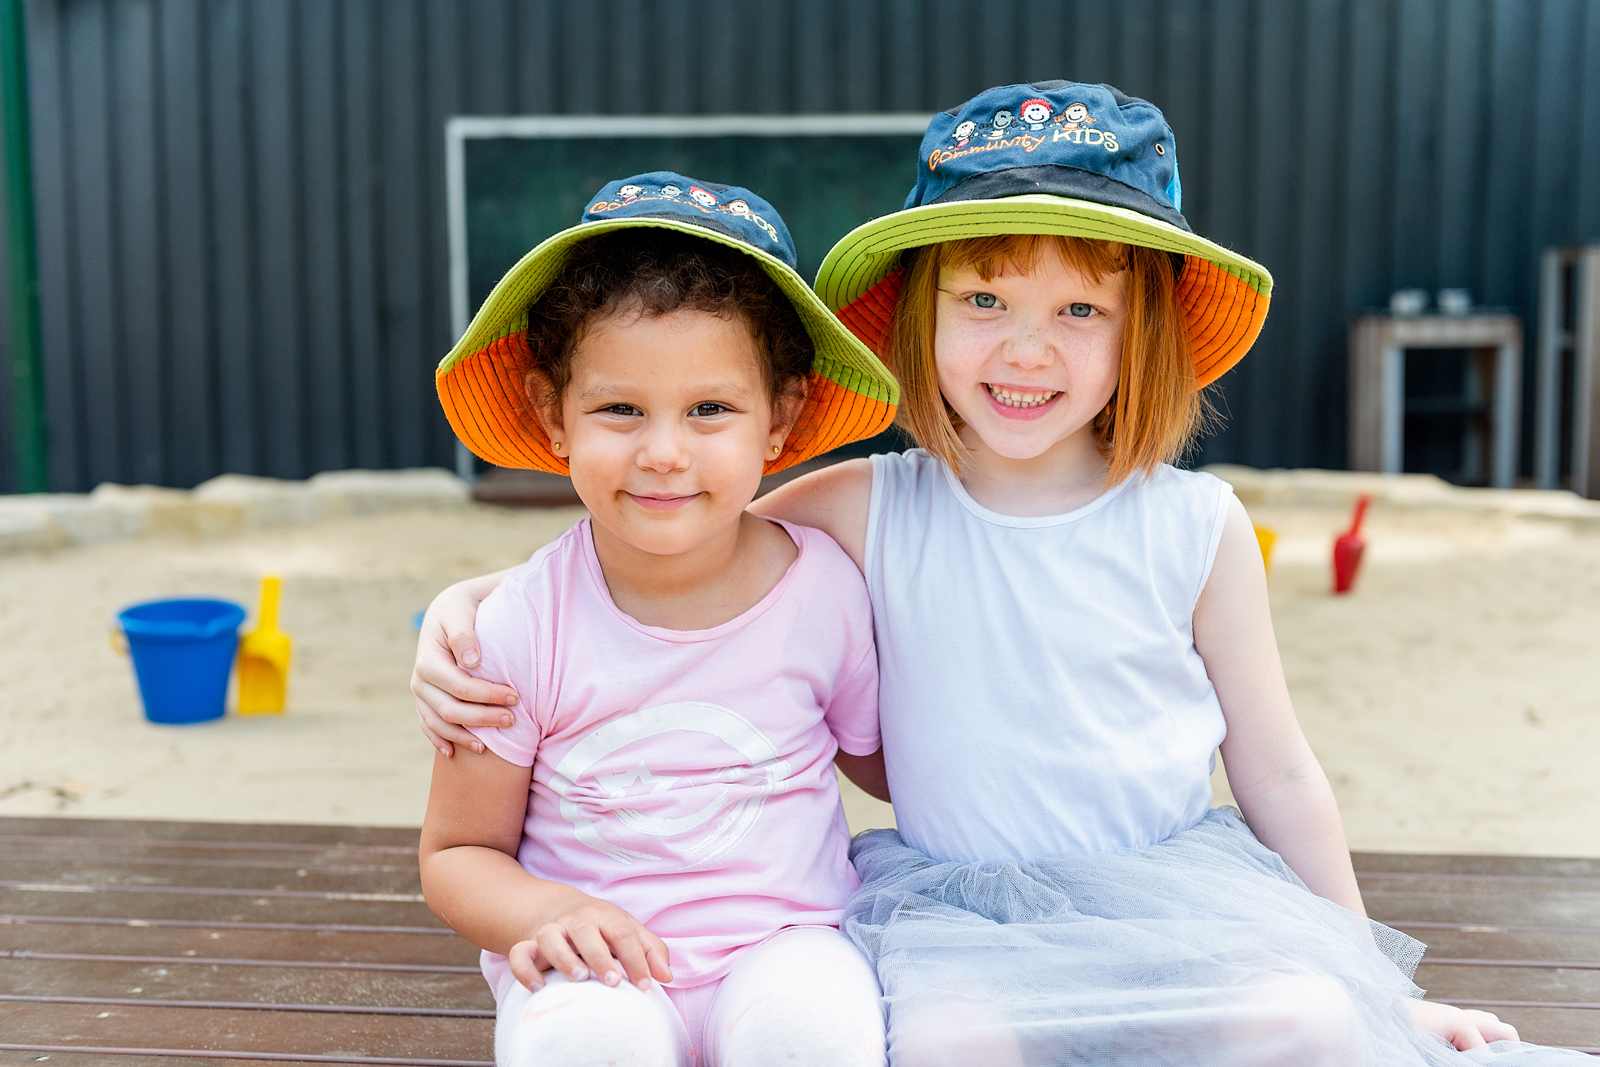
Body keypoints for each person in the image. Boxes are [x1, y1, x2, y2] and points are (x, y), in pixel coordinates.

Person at [415, 89, 1587, 1064]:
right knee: (945, 1046)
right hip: (963, 915)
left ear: (1142, 329)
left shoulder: (1195, 524)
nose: (1027, 348)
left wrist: (1375, 977)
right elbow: (672, 532)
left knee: (1313, 1023)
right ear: (922, 312)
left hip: (1172, 899)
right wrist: (474, 605)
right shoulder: (868, 503)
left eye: (1079, 308)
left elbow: (1276, 766)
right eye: (983, 299)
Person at [420, 171, 900, 1067]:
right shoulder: (518, 626)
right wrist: (551, 911)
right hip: (593, 967)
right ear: (553, 415)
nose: (665, 452)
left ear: (781, 417)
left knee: (819, 1035)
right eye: (620, 409)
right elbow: (456, 852)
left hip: (789, 944)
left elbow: (890, 768)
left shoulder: (825, 590)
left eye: (710, 409)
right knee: (586, 1046)